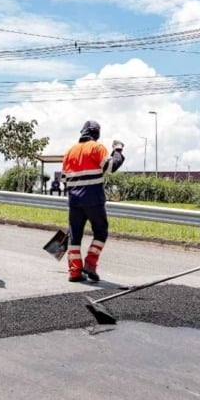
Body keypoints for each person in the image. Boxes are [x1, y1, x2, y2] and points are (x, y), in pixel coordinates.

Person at [62, 120, 124, 282]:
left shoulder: (70, 152)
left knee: (74, 237)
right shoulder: (97, 148)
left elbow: (63, 178)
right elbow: (111, 167)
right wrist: (117, 150)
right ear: (96, 133)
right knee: (101, 232)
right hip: (93, 200)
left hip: (74, 202)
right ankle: (90, 264)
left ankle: (75, 272)